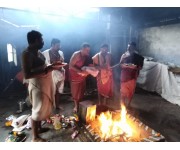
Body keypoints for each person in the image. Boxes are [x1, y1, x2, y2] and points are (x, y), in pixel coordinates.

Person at [21, 30, 56, 142]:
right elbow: (27, 74)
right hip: (37, 86)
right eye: (42, 40)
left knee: (42, 109)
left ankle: (39, 129)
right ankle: (35, 137)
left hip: (44, 84)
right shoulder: (27, 54)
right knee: (37, 110)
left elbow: (43, 66)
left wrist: (52, 65)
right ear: (35, 41)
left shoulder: (38, 51)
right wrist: (46, 71)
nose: (43, 42)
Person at [42, 38, 65, 110]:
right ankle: (50, 107)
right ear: (52, 45)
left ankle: (57, 106)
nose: (59, 47)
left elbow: (62, 62)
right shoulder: (45, 53)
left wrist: (60, 66)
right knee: (51, 92)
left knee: (59, 91)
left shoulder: (60, 53)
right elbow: (43, 65)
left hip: (60, 74)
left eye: (59, 45)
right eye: (57, 45)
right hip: (50, 75)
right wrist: (53, 66)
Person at [120, 42, 144, 108]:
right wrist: (127, 66)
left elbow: (140, 67)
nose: (128, 49)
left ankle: (128, 105)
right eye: (128, 47)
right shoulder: (124, 55)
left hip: (132, 77)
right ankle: (123, 105)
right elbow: (120, 65)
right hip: (124, 76)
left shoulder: (138, 57)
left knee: (130, 92)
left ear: (134, 48)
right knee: (123, 92)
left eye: (130, 47)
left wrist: (135, 67)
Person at [69, 43, 90, 113]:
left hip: (81, 74)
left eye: (88, 50)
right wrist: (80, 71)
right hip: (75, 74)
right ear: (82, 49)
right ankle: (76, 106)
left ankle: (80, 104)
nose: (88, 52)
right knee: (76, 91)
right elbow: (71, 66)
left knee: (82, 90)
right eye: (87, 50)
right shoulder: (77, 54)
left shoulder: (85, 56)